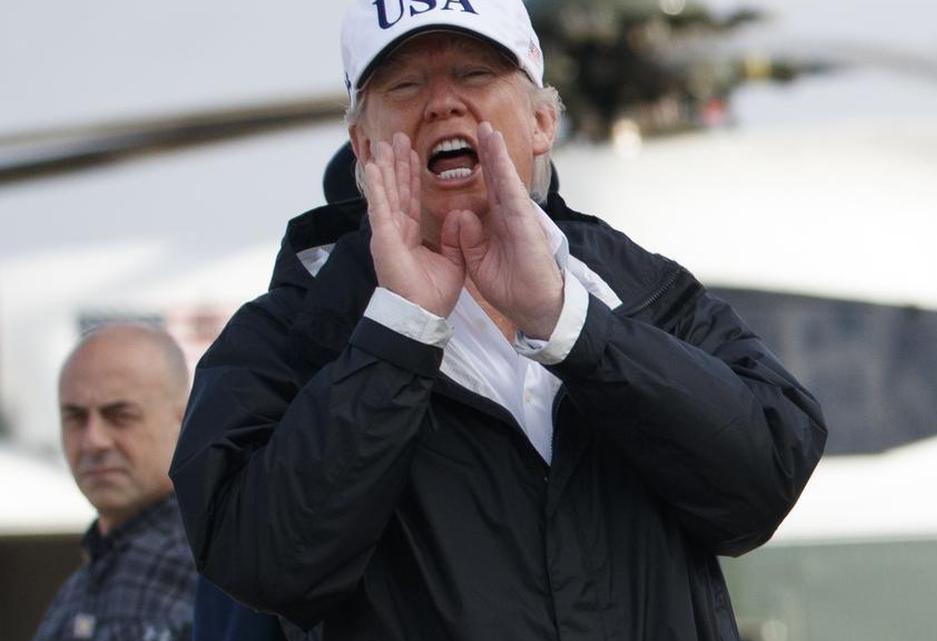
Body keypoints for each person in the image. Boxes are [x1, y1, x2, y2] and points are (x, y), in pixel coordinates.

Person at [170, 1, 828, 639]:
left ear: (542, 120)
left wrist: (571, 325)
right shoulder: (287, 333)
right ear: (363, 145)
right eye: (405, 84)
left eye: (474, 74)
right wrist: (398, 332)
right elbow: (263, 561)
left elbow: (764, 479)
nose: (442, 103)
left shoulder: (636, 290)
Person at [35, 324, 197, 641]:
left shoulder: (212, 569)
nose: (93, 440)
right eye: (75, 416)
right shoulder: (84, 581)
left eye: (120, 414)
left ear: (183, 419)